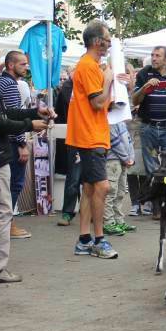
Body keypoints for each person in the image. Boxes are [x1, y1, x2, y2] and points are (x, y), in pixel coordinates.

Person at [0, 44, 51, 284]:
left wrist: (33, 115)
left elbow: (5, 114)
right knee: (0, 208)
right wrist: (27, 130)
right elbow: (0, 121)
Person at [62, 21, 118, 259]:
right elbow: (97, 102)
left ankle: (84, 239)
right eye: (106, 39)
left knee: (88, 188)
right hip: (90, 136)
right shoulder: (88, 66)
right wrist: (108, 79)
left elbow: (103, 102)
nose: (108, 43)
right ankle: (99, 239)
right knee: (102, 187)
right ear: (97, 41)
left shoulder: (89, 66)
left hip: (90, 135)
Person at [131, 45, 166, 193]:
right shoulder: (144, 74)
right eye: (152, 55)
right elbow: (135, 101)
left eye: (158, 56)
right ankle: (156, 203)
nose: (154, 58)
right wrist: (145, 88)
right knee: (151, 166)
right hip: (148, 127)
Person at [0, 50, 35, 240]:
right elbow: (12, 114)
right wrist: (22, 143)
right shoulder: (9, 84)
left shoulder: (0, 82)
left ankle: (5, 222)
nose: (26, 67)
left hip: (3, 139)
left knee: (8, 186)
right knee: (14, 184)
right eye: (23, 64)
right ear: (10, 65)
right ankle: (8, 223)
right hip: (10, 141)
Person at [103, 118, 135, 236]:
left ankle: (118, 220)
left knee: (120, 192)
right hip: (113, 161)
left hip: (123, 161)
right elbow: (115, 142)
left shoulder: (121, 121)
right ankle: (108, 222)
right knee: (111, 192)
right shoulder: (110, 120)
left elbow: (128, 140)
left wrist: (130, 157)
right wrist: (127, 158)